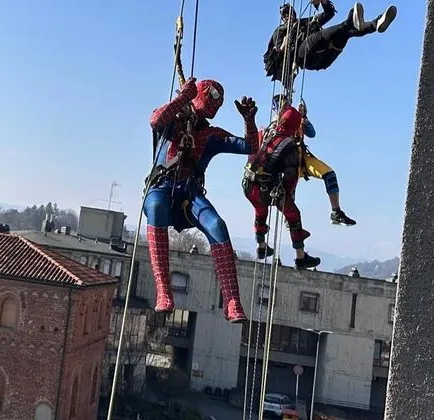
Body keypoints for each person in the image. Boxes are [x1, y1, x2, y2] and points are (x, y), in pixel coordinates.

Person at [143, 78, 258, 323]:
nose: (216, 102)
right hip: (161, 187)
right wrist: (182, 98)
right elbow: (155, 120)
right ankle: (163, 289)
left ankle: (232, 300)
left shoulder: (210, 135)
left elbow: (250, 145)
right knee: (156, 207)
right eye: (212, 95)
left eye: (220, 99)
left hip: (190, 194)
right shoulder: (172, 121)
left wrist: (249, 121)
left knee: (217, 225)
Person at [243, 105, 321, 270]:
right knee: (293, 214)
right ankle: (300, 257)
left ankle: (261, 247)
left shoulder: (265, 132)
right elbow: (291, 176)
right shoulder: (289, 144)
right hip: (268, 187)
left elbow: (251, 149)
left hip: (249, 185)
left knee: (260, 212)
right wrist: (287, 196)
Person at [263, 0, 397, 89]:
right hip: (304, 57)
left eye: (290, 12)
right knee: (324, 35)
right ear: (282, 18)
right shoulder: (280, 31)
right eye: (285, 14)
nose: (289, 15)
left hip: (326, 57)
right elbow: (278, 52)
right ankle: (352, 21)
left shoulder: (304, 23)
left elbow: (329, 14)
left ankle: (376, 23)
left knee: (346, 33)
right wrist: (284, 45)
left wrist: (322, 0)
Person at [271, 95, 356, 226]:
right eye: (284, 103)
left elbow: (312, 133)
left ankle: (336, 212)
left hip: (301, 157)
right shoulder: (275, 123)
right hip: (285, 161)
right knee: (287, 191)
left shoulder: (296, 118)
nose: (287, 105)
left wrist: (304, 118)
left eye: (288, 103)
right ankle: (289, 218)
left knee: (329, 175)